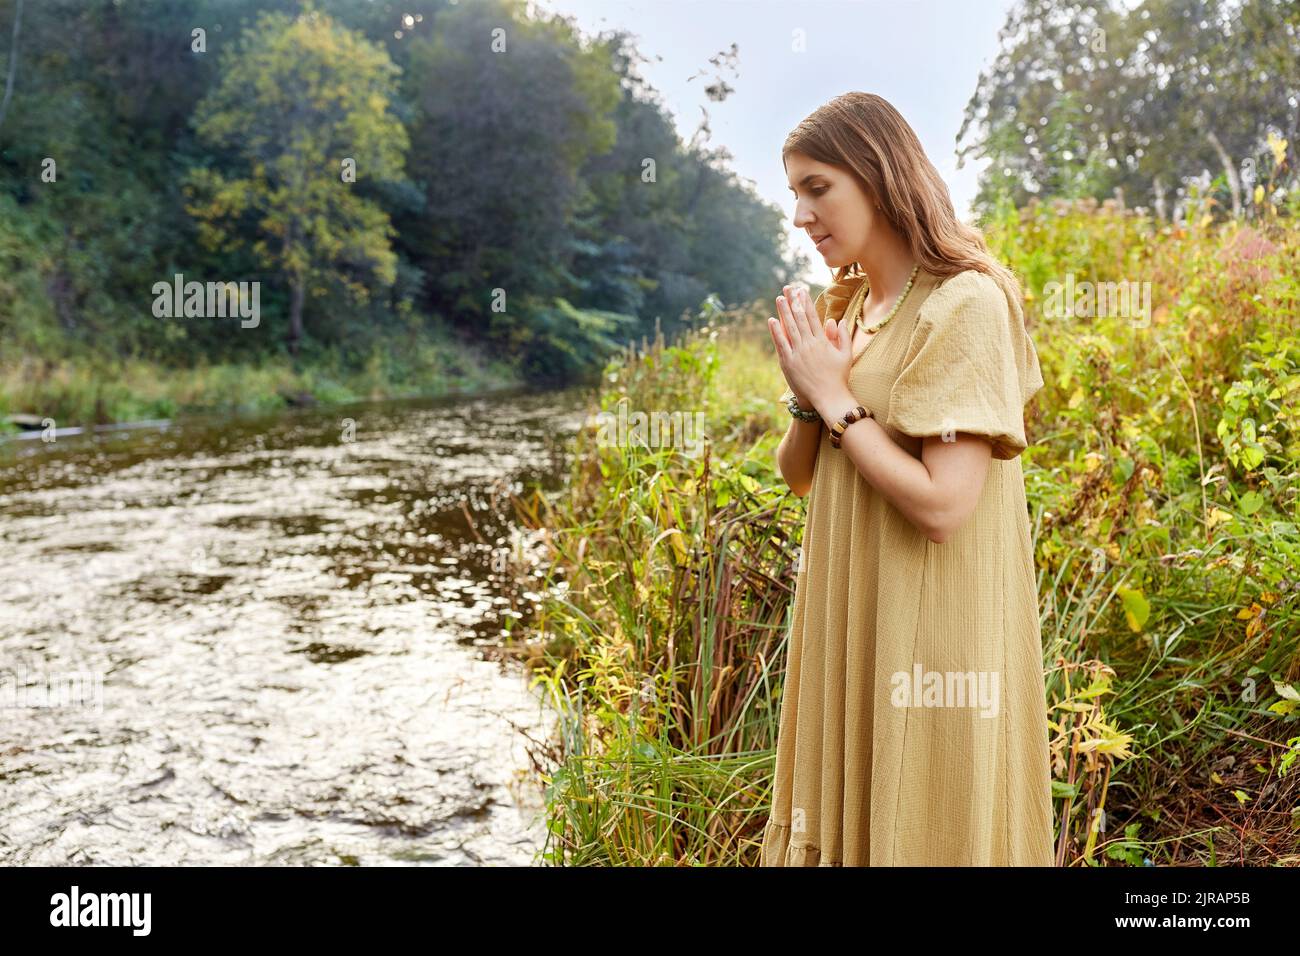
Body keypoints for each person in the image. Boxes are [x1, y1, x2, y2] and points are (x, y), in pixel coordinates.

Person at [761, 92, 1054, 866]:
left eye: (817, 187)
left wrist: (836, 397)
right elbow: (798, 475)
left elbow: (943, 507)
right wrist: (806, 389)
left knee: (924, 820)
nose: (800, 214)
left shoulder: (964, 303)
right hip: (852, 608)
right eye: (794, 192)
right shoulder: (851, 305)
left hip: (932, 630)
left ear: (880, 174)